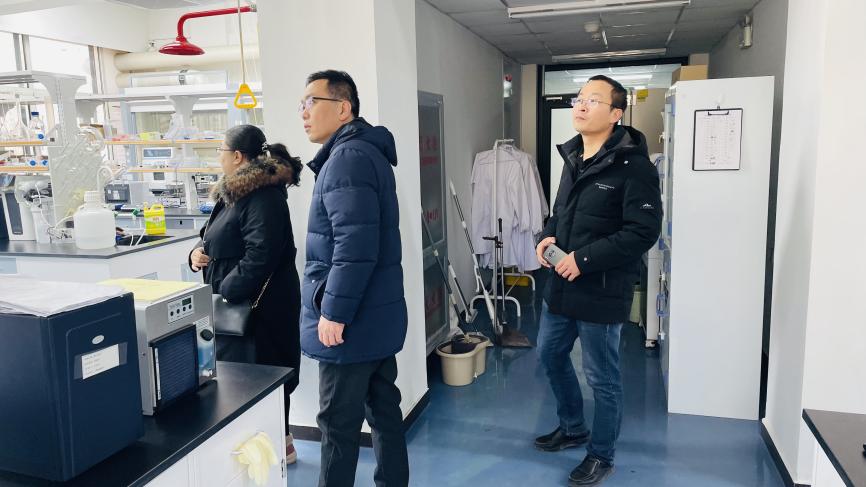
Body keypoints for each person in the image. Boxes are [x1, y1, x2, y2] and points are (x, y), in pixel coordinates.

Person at [534, 75, 662, 487]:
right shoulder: (573, 156)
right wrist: (546, 236)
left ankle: (601, 454)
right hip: (561, 285)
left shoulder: (635, 167)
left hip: (602, 290)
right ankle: (573, 427)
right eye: (579, 98)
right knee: (550, 355)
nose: (581, 105)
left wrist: (583, 260)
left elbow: (642, 232)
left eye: (593, 99)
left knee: (602, 378)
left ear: (616, 114)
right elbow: (560, 212)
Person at [298, 70, 409, 487]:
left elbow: (355, 247)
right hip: (374, 317)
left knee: (337, 425)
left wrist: (334, 313)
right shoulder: (364, 153)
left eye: (311, 102)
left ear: (343, 108)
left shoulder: (346, 159)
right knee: (383, 411)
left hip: (352, 324)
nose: (304, 113)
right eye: (301, 105)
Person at [188, 124, 303, 464]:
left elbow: (261, 254)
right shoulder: (233, 192)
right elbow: (210, 235)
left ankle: (273, 449)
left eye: (221, 151)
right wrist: (196, 254)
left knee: (262, 375)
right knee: (240, 379)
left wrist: (226, 289)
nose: (219, 157)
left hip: (259, 310)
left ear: (237, 156)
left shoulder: (263, 195)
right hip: (236, 307)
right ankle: (265, 448)